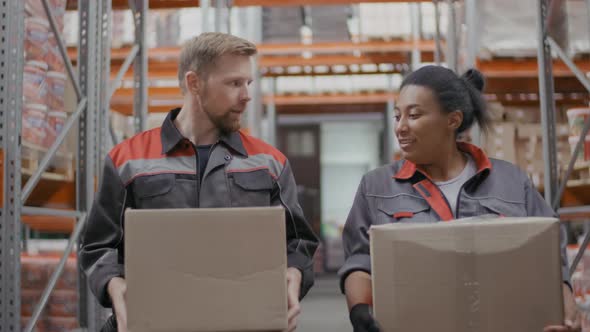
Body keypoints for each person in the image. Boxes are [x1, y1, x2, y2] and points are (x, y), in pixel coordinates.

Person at [79, 32, 318, 332]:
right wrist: (115, 286)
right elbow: (98, 246)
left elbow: (299, 242)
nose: (246, 95)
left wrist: (294, 274)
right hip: (156, 324)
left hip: (243, 323)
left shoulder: (269, 162)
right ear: (194, 83)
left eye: (248, 83)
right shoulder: (128, 160)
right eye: (234, 83)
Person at [338, 65, 580, 332]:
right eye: (397, 116)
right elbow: (359, 262)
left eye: (414, 115)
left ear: (453, 120)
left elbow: (551, 261)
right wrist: (358, 310)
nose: (401, 127)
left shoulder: (511, 182)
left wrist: (567, 315)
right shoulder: (377, 186)